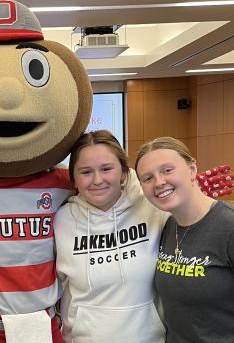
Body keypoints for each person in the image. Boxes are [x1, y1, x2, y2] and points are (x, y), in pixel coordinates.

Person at [135, 137, 234, 343]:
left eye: (167, 170)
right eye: (147, 178)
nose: (158, 182)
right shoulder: (168, 226)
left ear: (192, 170)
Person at [55, 130, 168, 342]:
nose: (97, 180)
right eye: (86, 172)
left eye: (106, 169)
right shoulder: (60, 221)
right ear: (74, 179)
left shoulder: (154, 209)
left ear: (124, 173)